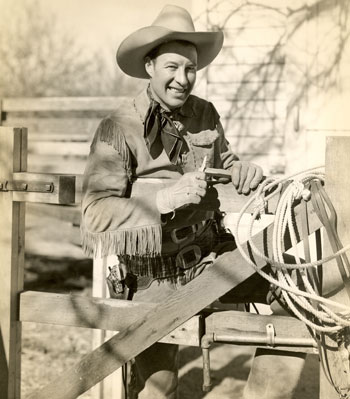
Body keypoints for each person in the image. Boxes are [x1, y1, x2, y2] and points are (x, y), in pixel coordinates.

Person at [81, 5, 306, 399]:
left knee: (294, 301)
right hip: (154, 273)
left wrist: (243, 170)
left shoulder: (206, 113)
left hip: (214, 257)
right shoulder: (117, 129)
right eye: (172, 67)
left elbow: (226, 161)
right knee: (158, 389)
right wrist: (164, 197)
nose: (182, 79)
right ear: (149, 66)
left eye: (190, 69)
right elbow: (95, 214)